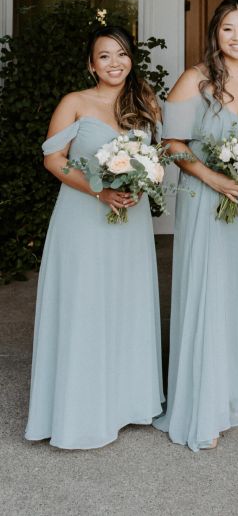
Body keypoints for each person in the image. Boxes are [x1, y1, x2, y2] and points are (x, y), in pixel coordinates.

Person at [25, 25, 164, 449]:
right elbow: (53, 159)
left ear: (131, 59)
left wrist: (144, 181)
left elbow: (156, 158)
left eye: (121, 54)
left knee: (126, 301)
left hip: (130, 221)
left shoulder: (145, 103)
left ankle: (126, 402)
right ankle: (80, 410)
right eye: (105, 55)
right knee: (85, 302)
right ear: (91, 64)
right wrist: (98, 190)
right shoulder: (75, 102)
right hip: (84, 217)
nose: (114, 63)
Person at [154, 0, 238, 451]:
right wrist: (213, 178)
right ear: (215, 34)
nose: (237, 37)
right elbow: (172, 143)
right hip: (207, 198)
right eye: (228, 28)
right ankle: (203, 404)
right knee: (209, 292)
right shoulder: (195, 80)